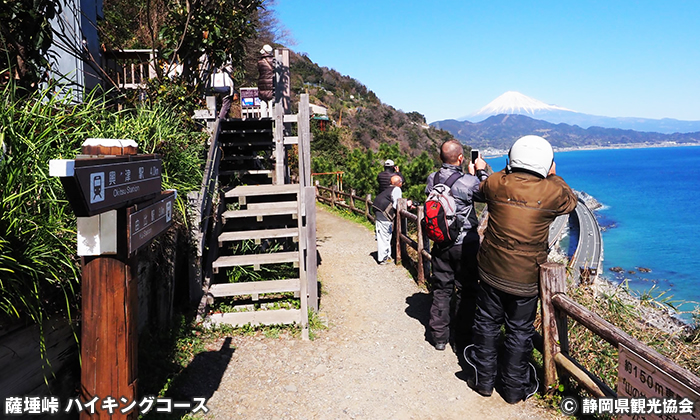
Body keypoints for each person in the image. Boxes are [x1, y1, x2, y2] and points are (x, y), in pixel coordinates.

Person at [463, 135, 577, 404]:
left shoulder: (495, 183)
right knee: (519, 331)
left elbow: (482, 187)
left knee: (487, 323)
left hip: (491, 270)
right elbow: (570, 201)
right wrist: (553, 174)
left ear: (512, 159)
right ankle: (514, 389)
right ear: (546, 164)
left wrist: (502, 168)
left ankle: (483, 380)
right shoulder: (553, 191)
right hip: (526, 277)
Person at [425, 140, 489, 351]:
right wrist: (479, 172)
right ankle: (462, 339)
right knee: (467, 290)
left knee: (441, 289)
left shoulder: (431, 179)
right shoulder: (468, 181)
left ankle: (439, 337)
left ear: (440, 158)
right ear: (461, 158)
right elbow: (486, 194)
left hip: (441, 243)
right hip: (465, 244)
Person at [373, 174, 410, 265]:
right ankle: (382, 258)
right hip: (384, 214)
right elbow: (396, 205)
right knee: (384, 236)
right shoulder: (397, 189)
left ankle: (387, 256)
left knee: (385, 235)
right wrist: (407, 204)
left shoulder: (388, 189)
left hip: (378, 210)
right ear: (399, 183)